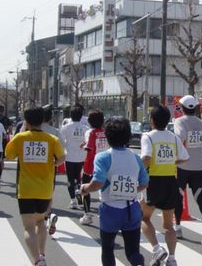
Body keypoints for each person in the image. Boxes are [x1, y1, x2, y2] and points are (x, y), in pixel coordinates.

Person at [80, 117, 148, 266]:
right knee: (133, 252)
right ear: (128, 136)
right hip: (132, 208)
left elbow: (98, 182)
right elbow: (144, 182)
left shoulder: (103, 157)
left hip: (110, 210)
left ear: (107, 136)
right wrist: (130, 191)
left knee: (108, 249)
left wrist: (85, 188)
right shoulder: (136, 158)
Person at [5, 107, 65, 266]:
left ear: (27, 121)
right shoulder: (52, 139)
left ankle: (37, 260)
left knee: (28, 227)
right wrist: (51, 163)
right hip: (45, 189)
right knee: (40, 222)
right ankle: (42, 254)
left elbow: (9, 155)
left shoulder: (20, 138)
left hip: (25, 189)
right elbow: (61, 158)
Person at [140, 104, 189, 266]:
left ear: (152, 120)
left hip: (152, 181)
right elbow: (185, 157)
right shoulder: (173, 137)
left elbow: (146, 157)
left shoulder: (148, 136)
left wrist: (139, 168)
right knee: (168, 225)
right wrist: (173, 161)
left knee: (144, 217)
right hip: (170, 182)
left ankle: (156, 248)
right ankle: (172, 258)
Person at [173, 95, 202, 246]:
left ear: (182, 108)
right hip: (198, 166)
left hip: (182, 166)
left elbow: (179, 137)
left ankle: (177, 227)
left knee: (178, 197)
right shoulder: (200, 123)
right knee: (200, 197)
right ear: (195, 108)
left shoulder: (179, 121)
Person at [80, 109, 108, 225]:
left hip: (91, 165)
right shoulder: (106, 132)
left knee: (85, 189)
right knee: (105, 190)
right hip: (106, 164)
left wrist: (83, 147)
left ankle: (87, 215)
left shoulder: (91, 133)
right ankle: (106, 215)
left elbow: (90, 149)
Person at [41, 106, 64, 235]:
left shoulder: (31, 131)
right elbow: (62, 148)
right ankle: (48, 215)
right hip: (50, 166)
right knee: (48, 193)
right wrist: (56, 162)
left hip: (31, 168)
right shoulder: (55, 132)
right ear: (50, 118)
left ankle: (42, 219)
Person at [61, 104, 89, 209]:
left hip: (69, 156)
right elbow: (87, 143)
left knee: (70, 179)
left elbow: (62, 142)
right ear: (81, 115)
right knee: (79, 178)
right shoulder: (86, 128)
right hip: (82, 156)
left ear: (70, 115)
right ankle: (79, 197)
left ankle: (73, 200)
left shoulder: (65, 128)